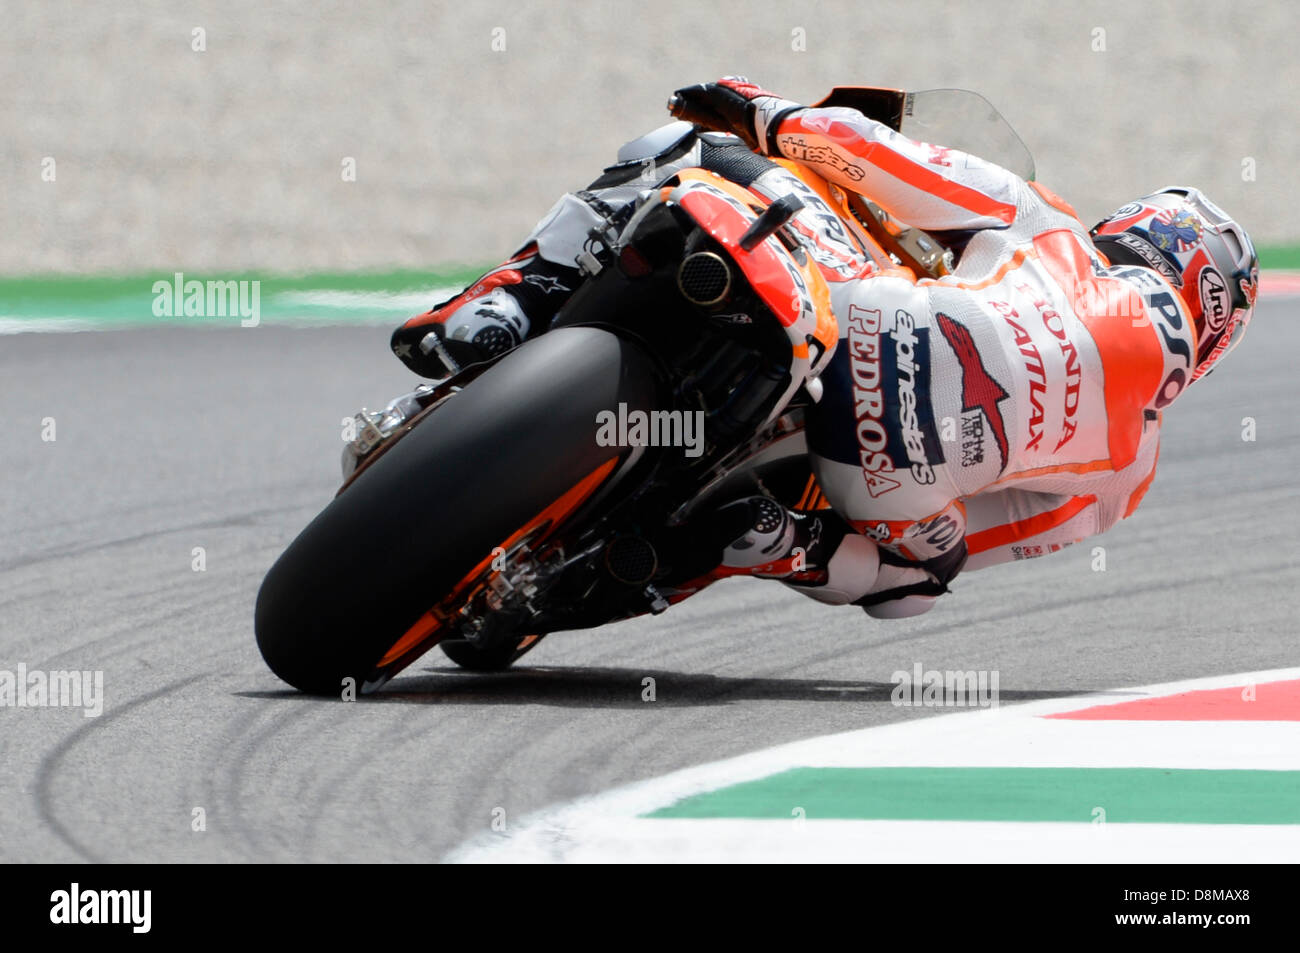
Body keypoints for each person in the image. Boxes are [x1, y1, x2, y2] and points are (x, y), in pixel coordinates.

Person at [389, 77, 1259, 618]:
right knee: (916, 584)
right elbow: (982, 543)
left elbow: (875, 156)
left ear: (1133, 230)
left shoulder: (1054, 226)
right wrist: (898, 529)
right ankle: (775, 545)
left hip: (866, 324)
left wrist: (765, 112)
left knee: (689, 151)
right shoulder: (1129, 473)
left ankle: (504, 301)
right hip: (888, 483)